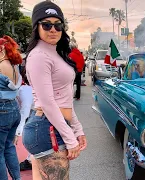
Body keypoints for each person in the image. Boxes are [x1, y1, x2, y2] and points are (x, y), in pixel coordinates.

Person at [22, 1, 87, 179]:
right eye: (47, 24)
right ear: (37, 27)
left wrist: (77, 129)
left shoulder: (55, 53)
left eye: (58, 25)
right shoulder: (39, 56)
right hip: (47, 129)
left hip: (52, 126)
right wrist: (70, 138)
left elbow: (65, 97)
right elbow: (48, 103)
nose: (53, 29)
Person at [0, 35, 23, 180]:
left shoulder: (1, 65)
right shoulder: (15, 66)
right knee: (9, 147)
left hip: (2, 110)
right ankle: (17, 178)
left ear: (2, 49)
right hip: (14, 108)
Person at [15, 68, 34, 171]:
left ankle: (30, 160)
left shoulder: (26, 90)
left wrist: (18, 133)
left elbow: (24, 113)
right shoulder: (25, 89)